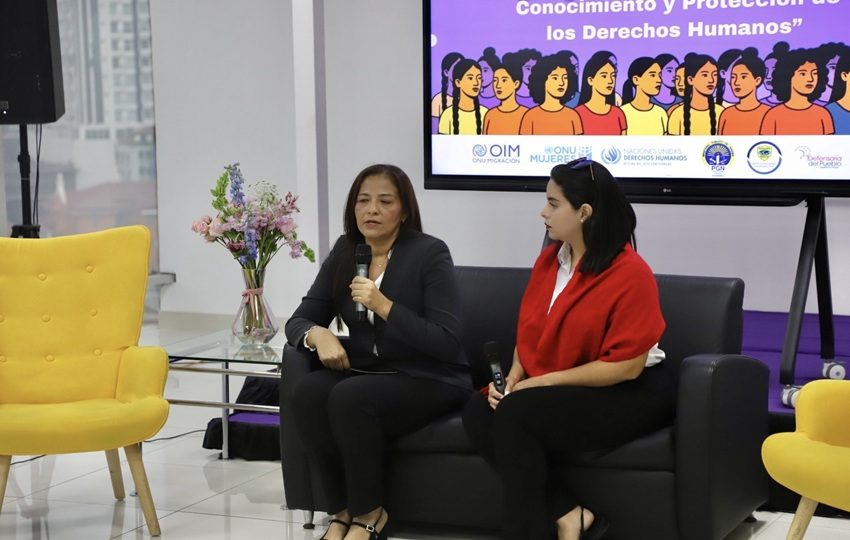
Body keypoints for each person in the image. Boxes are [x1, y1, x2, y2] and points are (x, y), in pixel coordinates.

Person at [462, 159, 672, 540]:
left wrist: (540, 385)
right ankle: (569, 513)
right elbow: (530, 332)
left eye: (553, 203)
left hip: (626, 393)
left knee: (513, 415)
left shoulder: (631, 273)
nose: (543, 212)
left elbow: (625, 366)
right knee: (479, 409)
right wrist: (513, 377)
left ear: (584, 212)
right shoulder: (550, 260)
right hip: (561, 385)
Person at [286, 164, 472, 540]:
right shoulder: (345, 251)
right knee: (308, 391)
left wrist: (384, 305)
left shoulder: (430, 253)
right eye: (363, 201)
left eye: (384, 202)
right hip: (371, 371)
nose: (371, 210)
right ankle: (339, 512)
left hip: (431, 377)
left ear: (403, 211)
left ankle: (370, 515)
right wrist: (318, 335)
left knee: (349, 396)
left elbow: (445, 341)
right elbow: (300, 319)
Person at [759, 47, 834, 135]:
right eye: (803, 73)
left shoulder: (823, 114)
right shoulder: (772, 115)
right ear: (788, 76)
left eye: (815, 73)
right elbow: (766, 146)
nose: (810, 79)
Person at [519, 53, 583, 135]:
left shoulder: (573, 116)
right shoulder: (530, 116)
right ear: (543, 80)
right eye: (555, 78)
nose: (561, 83)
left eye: (565, 78)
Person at [717, 48, 771, 135]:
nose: (736, 82)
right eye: (733, 77)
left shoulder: (768, 113)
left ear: (757, 80)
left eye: (743, 77)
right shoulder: (727, 114)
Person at [668, 53, 724, 135]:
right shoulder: (677, 114)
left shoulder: (721, 112)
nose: (711, 80)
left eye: (715, 75)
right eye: (705, 75)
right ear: (690, 80)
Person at [574, 51, 627, 135]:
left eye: (613, 75)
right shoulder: (577, 114)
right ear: (590, 80)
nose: (610, 81)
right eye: (604, 76)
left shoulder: (618, 113)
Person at [483, 52, 529, 134]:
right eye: (495, 80)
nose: (498, 85)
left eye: (504, 80)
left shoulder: (526, 114)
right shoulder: (490, 115)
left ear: (516, 84)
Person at [439, 59, 488, 134]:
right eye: (470, 78)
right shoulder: (447, 115)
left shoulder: (485, 113)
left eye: (479, 78)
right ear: (458, 82)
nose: (476, 83)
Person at [620, 57, 668, 135]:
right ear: (636, 80)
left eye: (659, 75)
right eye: (652, 75)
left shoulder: (660, 113)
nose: (659, 80)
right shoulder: (622, 112)